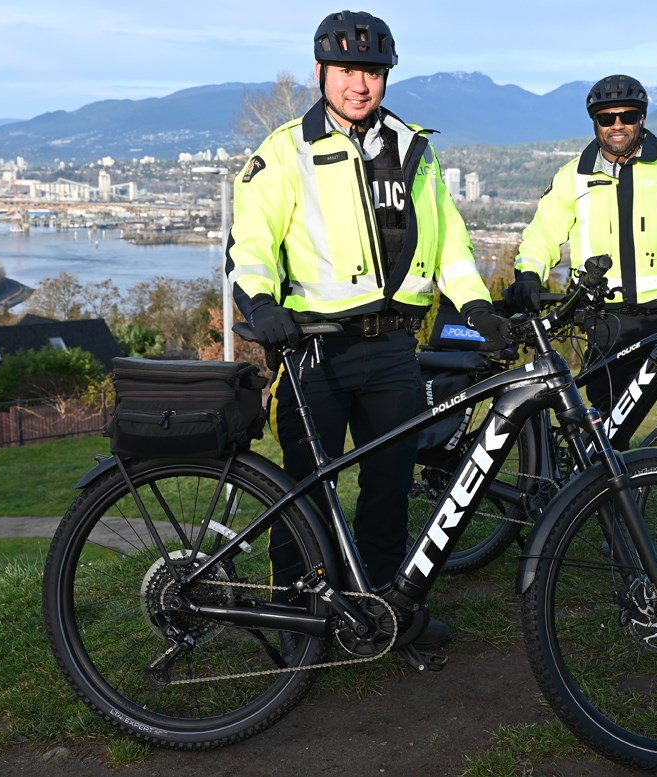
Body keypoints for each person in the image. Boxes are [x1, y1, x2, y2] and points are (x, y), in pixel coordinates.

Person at [226, 10, 508, 650]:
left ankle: (388, 615)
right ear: (322, 72)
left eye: (373, 71)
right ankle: (297, 621)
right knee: (304, 492)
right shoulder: (284, 151)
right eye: (349, 69)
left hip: (391, 351)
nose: (361, 84)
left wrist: (476, 307)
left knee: (387, 487)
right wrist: (260, 302)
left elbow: (451, 244)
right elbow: (251, 243)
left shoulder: (413, 150)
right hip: (312, 351)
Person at [503, 73, 657, 419]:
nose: (617, 125)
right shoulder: (573, 176)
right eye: (607, 118)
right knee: (607, 433)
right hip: (608, 320)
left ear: (642, 118)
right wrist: (529, 274)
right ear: (595, 123)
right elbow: (542, 233)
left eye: (627, 116)